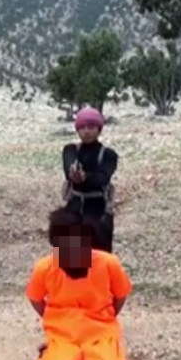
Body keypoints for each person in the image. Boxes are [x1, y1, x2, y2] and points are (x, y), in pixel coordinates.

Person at [26, 207, 135, 360]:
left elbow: (121, 294)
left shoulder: (108, 263)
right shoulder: (44, 267)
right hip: (63, 335)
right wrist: (51, 320)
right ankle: (52, 353)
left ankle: (109, 356)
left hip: (100, 333)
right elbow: (35, 297)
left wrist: (108, 318)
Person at [61, 106, 118, 252]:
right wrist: (74, 175)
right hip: (74, 211)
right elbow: (69, 167)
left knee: (100, 261)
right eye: (82, 127)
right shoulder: (70, 150)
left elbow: (102, 178)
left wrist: (84, 178)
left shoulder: (109, 155)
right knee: (72, 264)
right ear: (77, 130)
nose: (86, 131)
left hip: (98, 213)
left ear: (99, 129)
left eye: (91, 127)